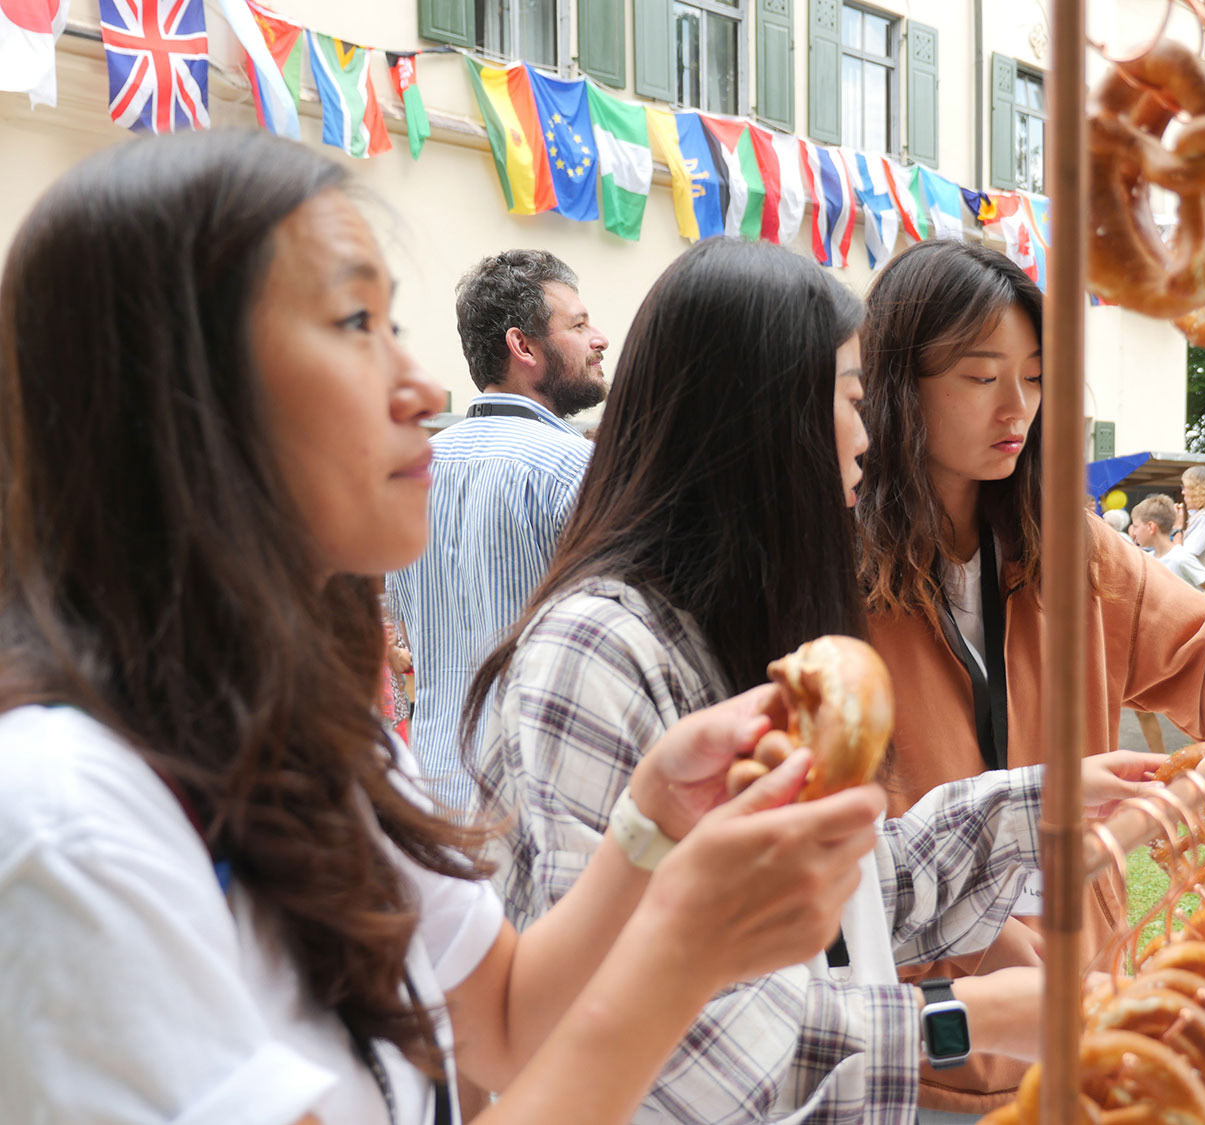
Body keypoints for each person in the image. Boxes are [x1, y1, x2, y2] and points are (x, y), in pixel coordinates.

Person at [0, 131, 888, 1125]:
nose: (424, 390)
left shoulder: (319, 741)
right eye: (354, 323)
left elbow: (503, 1016)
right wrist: (683, 944)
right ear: (174, 391)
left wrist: (648, 825)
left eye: (393, 324)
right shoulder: (68, 825)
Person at [465, 237, 1163, 1125]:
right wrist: (958, 1019)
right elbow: (635, 1024)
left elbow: (843, 897)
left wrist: (1035, 807)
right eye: (854, 399)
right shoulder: (599, 651)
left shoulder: (740, 629)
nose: (871, 437)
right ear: (765, 416)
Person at [854, 239, 1205, 1116]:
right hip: (916, 1042)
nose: (1017, 407)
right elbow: (836, 846)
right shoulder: (831, 575)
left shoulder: (1073, 547)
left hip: (1086, 1005)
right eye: (980, 377)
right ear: (900, 386)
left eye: (1036, 377)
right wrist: (983, 949)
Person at [387, 250, 605, 810]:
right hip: (539, 801)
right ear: (522, 347)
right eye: (579, 325)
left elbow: (402, 631)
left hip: (435, 792)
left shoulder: (414, 470)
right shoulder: (577, 470)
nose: (600, 339)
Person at [1130, 494, 1205, 591]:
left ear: (1151, 527)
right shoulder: (1149, 558)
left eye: (1135, 526)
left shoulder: (1181, 558)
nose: (1134, 533)